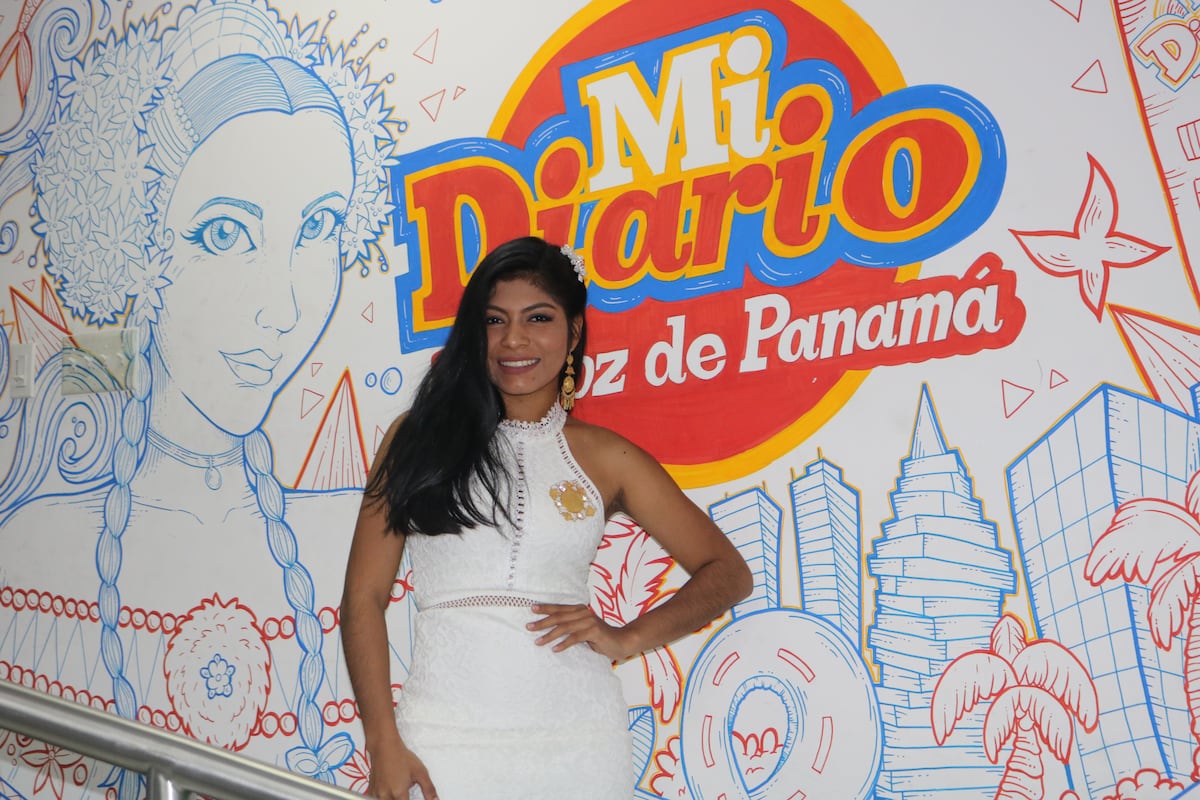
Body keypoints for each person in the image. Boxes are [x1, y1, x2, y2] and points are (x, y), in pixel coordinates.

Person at [0, 0, 394, 794]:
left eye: (317, 227)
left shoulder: (357, 552)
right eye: (224, 233)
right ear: (131, 244)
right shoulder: (41, 555)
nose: (282, 307)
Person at [340, 236, 753, 800]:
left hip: (579, 743)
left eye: (538, 318)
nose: (514, 339)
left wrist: (628, 637)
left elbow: (728, 572)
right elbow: (362, 597)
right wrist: (382, 742)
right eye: (495, 320)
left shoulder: (606, 456)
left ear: (574, 332)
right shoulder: (416, 438)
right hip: (441, 739)